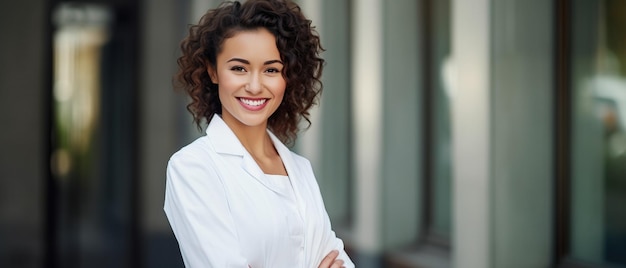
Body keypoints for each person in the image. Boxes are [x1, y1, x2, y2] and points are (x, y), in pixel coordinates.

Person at [163, 0, 355, 267]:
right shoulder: (193, 168)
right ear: (213, 71)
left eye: (271, 70)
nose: (255, 86)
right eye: (239, 68)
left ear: (288, 77)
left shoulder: (300, 170)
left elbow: (337, 259)